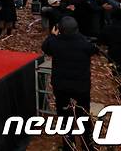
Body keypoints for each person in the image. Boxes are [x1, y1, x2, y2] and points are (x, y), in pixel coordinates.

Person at [41, 17, 97, 150]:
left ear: (60, 30)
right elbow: (94, 49)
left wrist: (52, 36)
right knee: (83, 115)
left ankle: (68, 145)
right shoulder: (84, 43)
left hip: (61, 87)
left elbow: (45, 48)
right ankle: (87, 144)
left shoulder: (55, 43)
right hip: (81, 86)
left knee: (64, 116)